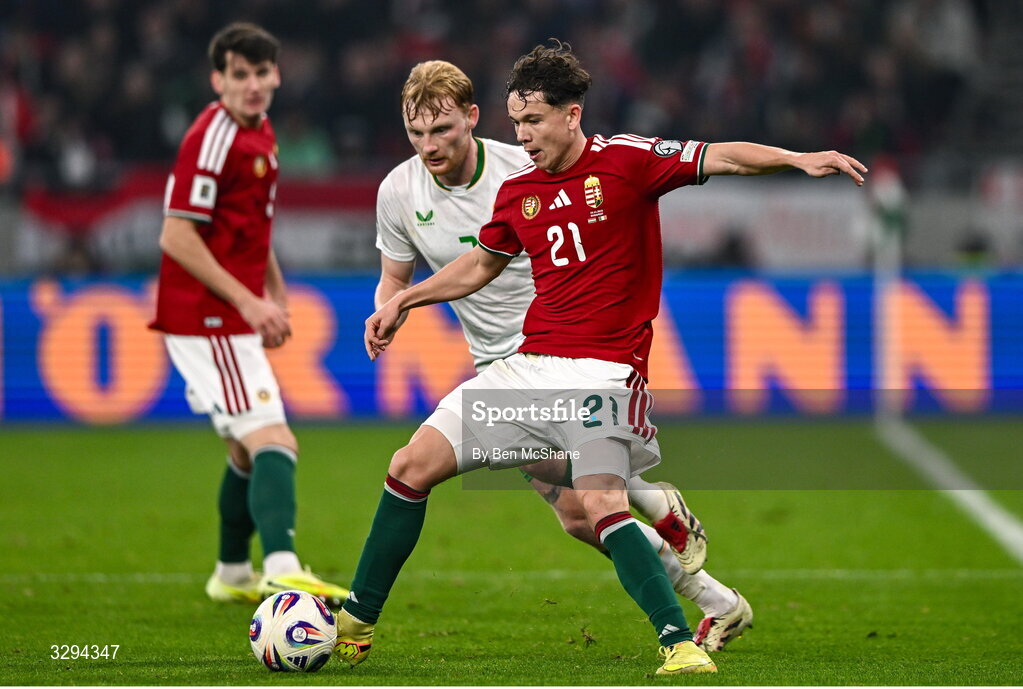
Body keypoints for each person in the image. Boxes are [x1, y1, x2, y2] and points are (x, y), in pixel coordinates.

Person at [342, 40, 867, 675]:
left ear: (571, 113)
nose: (525, 135)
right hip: (524, 366)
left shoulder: (626, 160)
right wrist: (404, 301)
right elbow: (478, 264)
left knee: (594, 504)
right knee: (411, 464)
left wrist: (796, 158)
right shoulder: (517, 191)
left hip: (604, 371)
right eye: (519, 123)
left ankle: (677, 642)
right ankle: (356, 619)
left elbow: (721, 154)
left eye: (534, 121)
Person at [374, 59, 751, 653]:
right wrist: (390, 308)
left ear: (470, 120)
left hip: (559, 352)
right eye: (416, 132)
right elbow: (396, 275)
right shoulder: (398, 190)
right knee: (581, 518)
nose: (429, 145)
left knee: (595, 503)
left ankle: (669, 576)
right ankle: (710, 589)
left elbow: (570, 221)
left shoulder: (521, 162)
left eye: (441, 129)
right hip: (500, 366)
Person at [148, 22, 348, 608]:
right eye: (240, 74)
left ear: (276, 75)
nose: (253, 84)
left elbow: (251, 228)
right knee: (273, 439)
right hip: (205, 316)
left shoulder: (261, 131)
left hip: (227, 311)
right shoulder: (212, 136)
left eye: (262, 72)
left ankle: (233, 571)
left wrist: (276, 291)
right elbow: (176, 235)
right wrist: (248, 301)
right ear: (218, 80)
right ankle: (282, 565)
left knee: (243, 447)